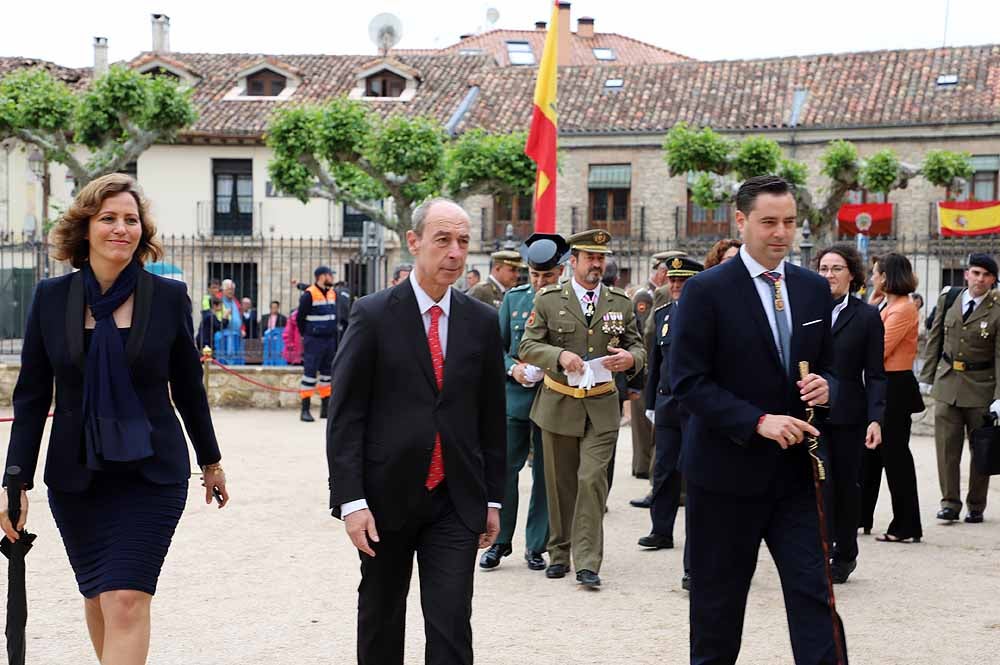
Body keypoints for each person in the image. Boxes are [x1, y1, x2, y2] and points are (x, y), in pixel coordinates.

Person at [0, 173, 228, 665]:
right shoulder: (50, 298)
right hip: (77, 477)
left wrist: (210, 460)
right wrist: (14, 480)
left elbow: (188, 388)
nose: (121, 228)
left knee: (126, 599)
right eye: (109, 219)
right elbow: (33, 396)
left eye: (131, 220)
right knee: (99, 596)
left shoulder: (167, 298)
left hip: (151, 473)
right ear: (86, 229)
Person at [669, 175, 842, 664]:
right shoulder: (705, 291)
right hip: (724, 477)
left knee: (815, 598)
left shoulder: (812, 288)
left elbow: (834, 368)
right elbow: (687, 381)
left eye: (789, 222)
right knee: (718, 608)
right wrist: (756, 420)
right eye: (769, 222)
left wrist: (829, 386)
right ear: (741, 221)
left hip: (797, 477)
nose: (781, 233)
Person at [327, 197, 506, 665]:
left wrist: (492, 498)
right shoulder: (372, 315)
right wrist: (352, 501)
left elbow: (491, 417)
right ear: (413, 242)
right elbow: (346, 416)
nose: (454, 252)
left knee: (451, 623)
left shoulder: (483, 322)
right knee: (382, 617)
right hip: (385, 500)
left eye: (463, 242)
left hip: (456, 499)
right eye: (442, 239)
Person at [518, 229, 646, 588]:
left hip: (602, 406)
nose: (597, 265)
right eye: (590, 258)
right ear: (572, 262)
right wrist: (559, 356)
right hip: (558, 403)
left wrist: (629, 358)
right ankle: (559, 552)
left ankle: (588, 560)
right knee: (560, 485)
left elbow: (638, 348)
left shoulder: (619, 301)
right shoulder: (547, 299)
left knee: (591, 480)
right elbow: (528, 345)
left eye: (601, 259)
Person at [479, 232, 569, 572]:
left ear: (561, 271)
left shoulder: (570, 303)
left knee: (547, 475)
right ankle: (500, 541)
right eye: (534, 275)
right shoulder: (515, 300)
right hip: (515, 399)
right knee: (504, 472)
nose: (540, 282)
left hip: (555, 397)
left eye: (547, 275)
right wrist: (513, 368)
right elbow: (495, 350)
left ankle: (537, 545)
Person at [815, 243, 886, 583]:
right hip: (810, 413)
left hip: (849, 414)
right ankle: (820, 549)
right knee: (818, 483)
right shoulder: (807, 311)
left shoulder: (867, 316)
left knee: (844, 484)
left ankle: (845, 553)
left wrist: (876, 418)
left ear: (852, 274)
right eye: (824, 268)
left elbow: (875, 374)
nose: (829, 275)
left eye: (836, 269)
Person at [919, 253, 1000, 524]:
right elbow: (935, 338)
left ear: (993, 280)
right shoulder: (949, 298)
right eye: (975, 273)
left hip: (981, 388)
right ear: (966, 274)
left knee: (981, 450)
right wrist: (927, 376)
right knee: (946, 449)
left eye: (986, 275)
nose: (980, 279)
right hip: (947, 383)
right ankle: (949, 503)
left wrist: (999, 397)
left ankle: (976, 505)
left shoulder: (998, 307)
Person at [640, 256, 704, 592]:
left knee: (696, 476)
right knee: (663, 470)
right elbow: (656, 362)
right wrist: (650, 404)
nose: (675, 286)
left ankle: (697, 559)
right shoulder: (663, 315)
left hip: (697, 409)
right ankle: (660, 529)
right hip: (667, 404)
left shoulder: (708, 316)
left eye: (682, 281)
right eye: (672, 281)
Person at [859, 253, 924, 543]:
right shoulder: (887, 304)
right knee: (869, 455)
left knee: (895, 457)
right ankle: (861, 515)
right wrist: (873, 300)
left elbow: (878, 348)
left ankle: (907, 525)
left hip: (895, 386)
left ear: (886, 277)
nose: (872, 278)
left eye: (876, 273)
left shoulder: (904, 309)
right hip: (882, 384)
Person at [297, 266, 339, 422]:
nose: (332, 278)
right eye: (330, 275)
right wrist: (307, 334)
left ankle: (325, 409)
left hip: (329, 339)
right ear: (321, 277)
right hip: (313, 340)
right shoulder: (309, 294)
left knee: (327, 375)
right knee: (309, 374)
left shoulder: (332, 293)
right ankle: (305, 410)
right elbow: (300, 318)